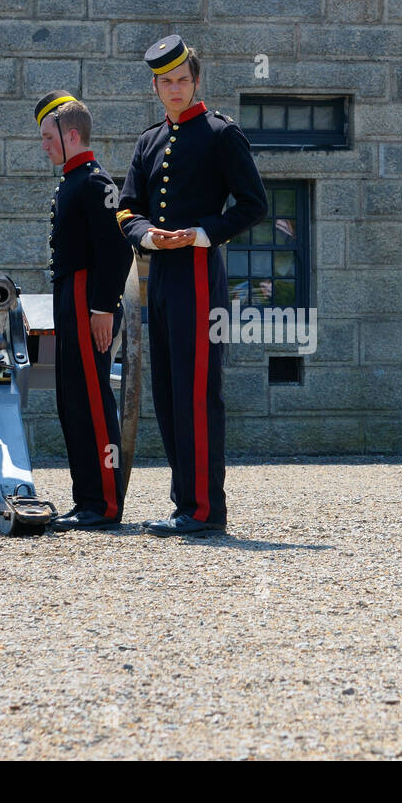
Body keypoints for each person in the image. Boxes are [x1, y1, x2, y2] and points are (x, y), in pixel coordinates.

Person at [116, 35, 268, 536]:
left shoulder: (221, 135)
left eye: (183, 80)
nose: (175, 89)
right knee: (167, 393)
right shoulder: (148, 141)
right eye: (166, 82)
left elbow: (253, 205)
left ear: (195, 81)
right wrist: (148, 237)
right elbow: (126, 209)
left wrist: (202, 234)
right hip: (159, 275)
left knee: (199, 393)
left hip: (201, 277)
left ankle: (205, 510)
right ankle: (185, 503)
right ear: (156, 87)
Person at [35, 91, 133, 530]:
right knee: (72, 400)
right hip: (68, 295)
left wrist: (103, 309)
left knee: (93, 399)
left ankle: (105, 503)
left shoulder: (95, 183)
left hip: (86, 296)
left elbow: (116, 251)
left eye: (48, 136)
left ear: (71, 134)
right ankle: (86, 498)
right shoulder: (72, 180)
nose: (45, 144)